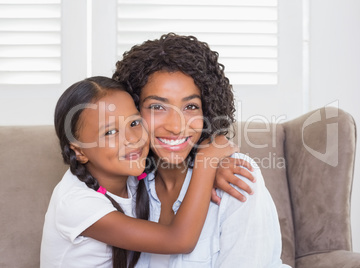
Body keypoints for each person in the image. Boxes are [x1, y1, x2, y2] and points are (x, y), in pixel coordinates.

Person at [113, 33, 289, 267]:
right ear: (133, 110)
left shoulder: (236, 178)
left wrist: (209, 165)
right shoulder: (127, 186)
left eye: (191, 107)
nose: (175, 127)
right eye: (157, 107)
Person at [40, 76, 239, 268]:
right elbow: (179, 240)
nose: (133, 139)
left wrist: (220, 166)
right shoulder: (76, 203)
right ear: (80, 151)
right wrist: (207, 161)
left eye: (134, 123)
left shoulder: (135, 173)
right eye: (110, 132)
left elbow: (178, 158)